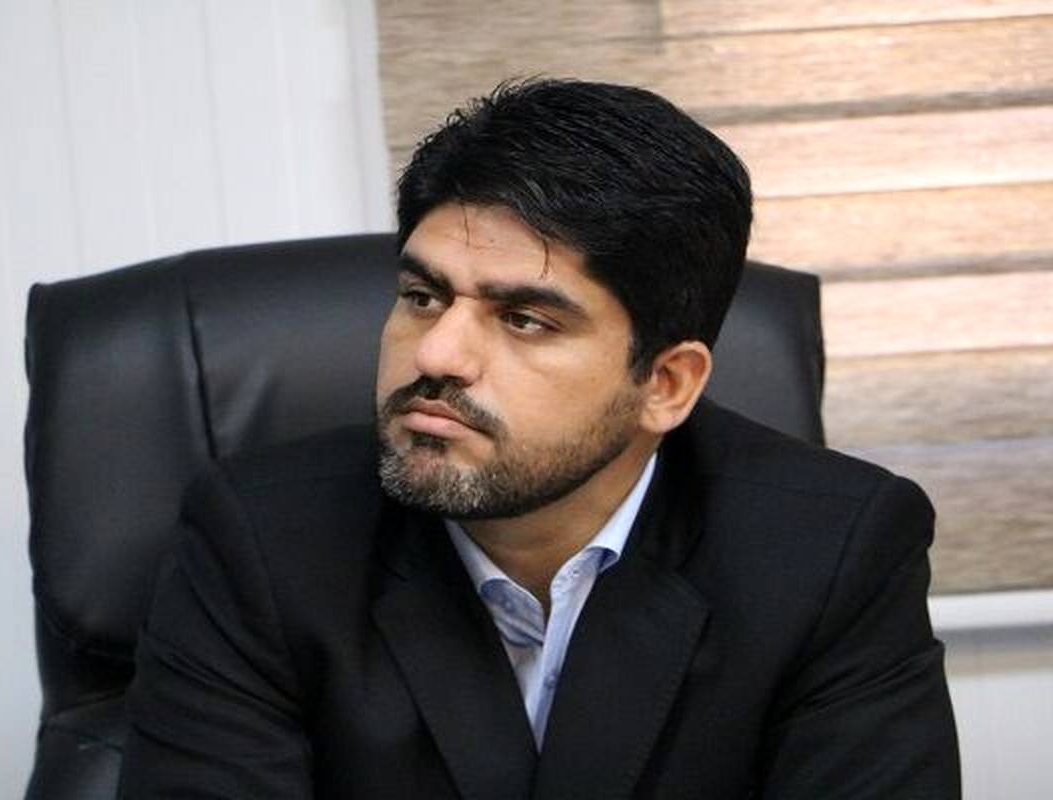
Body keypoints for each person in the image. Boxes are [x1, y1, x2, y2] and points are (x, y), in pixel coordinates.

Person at [121, 79, 960, 798]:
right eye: (422, 297)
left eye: (525, 319)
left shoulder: (831, 550)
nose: (438, 355)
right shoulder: (262, 540)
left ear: (665, 385)